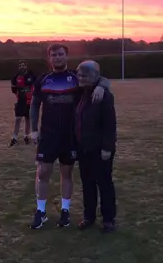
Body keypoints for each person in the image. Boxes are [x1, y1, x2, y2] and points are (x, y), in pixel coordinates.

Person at [29, 43, 110, 229]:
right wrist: (34, 129)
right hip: (48, 135)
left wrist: (101, 87)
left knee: (67, 173)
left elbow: (102, 79)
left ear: (66, 56)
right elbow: (34, 105)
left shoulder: (76, 77)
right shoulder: (43, 79)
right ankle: (41, 212)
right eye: (53, 55)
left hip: (70, 135)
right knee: (43, 173)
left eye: (60, 54)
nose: (57, 58)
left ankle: (65, 211)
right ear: (49, 58)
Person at [73, 60, 117, 233]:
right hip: (83, 148)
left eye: (86, 75)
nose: (81, 77)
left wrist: (107, 147)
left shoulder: (104, 96)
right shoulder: (80, 93)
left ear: (95, 77)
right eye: (80, 74)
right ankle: (88, 216)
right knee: (87, 184)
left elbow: (109, 125)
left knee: (104, 184)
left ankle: (108, 219)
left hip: (100, 149)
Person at [9, 60, 35, 146]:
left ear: (26, 66)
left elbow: (34, 87)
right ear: (18, 67)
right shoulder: (16, 77)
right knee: (18, 119)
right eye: (20, 66)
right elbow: (14, 90)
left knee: (28, 119)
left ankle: (26, 136)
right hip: (20, 101)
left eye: (23, 65)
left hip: (30, 101)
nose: (22, 67)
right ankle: (14, 137)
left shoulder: (31, 76)